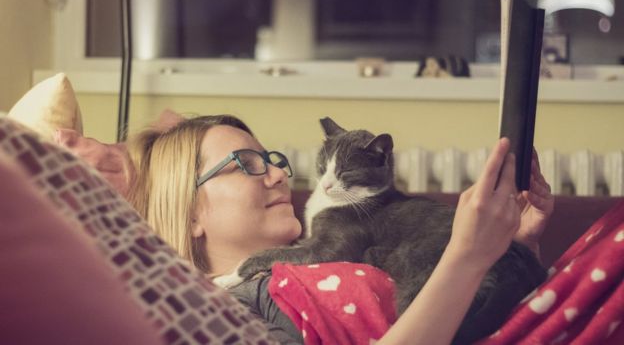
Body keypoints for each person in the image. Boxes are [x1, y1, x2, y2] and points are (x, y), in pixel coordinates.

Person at [127, 114, 554, 344]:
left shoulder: (335, 243)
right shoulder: (222, 313)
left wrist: (516, 247)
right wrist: (466, 259)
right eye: (247, 164)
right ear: (191, 214)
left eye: (273, 160)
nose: (278, 175)